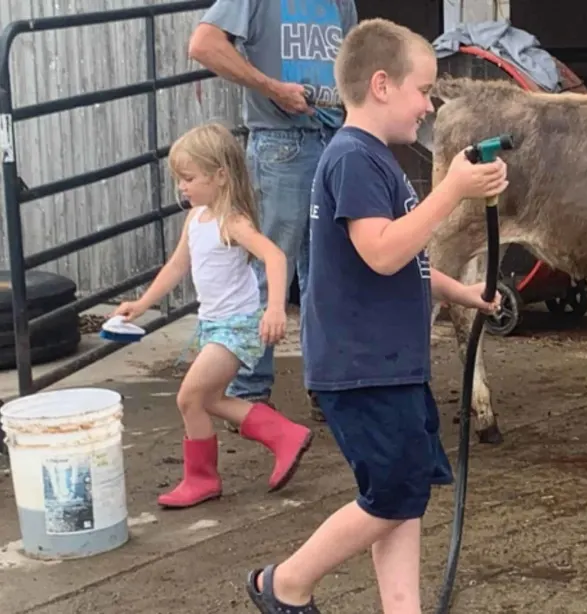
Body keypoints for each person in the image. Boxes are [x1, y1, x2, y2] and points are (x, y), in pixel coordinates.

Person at [243, 18, 509, 614]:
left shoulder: (375, 159)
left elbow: (403, 256)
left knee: (403, 494)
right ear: (383, 85)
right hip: (363, 367)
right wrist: (453, 192)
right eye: (423, 91)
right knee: (391, 496)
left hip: (390, 363)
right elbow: (382, 251)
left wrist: (463, 294)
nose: (427, 106)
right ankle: (283, 583)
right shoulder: (353, 159)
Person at [112, 122, 314, 509]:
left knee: (189, 397)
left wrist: (274, 308)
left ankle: (202, 479)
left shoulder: (232, 220)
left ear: (220, 176)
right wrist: (141, 304)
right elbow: (175, 267)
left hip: (237, 326)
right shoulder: (196, 218)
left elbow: (275, 255)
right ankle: (283, 435)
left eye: (188, 178)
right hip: (213, 325)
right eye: (179, 180)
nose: (182, 188)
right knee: (211, 399)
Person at [188, 0, 359, 423]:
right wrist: (271, 88)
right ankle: (248, 393)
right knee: (268, 269)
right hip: (282, 141)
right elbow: (204, 44)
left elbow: (354, 60)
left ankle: (327, 385)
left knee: (327, 270)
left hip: (333, 135)